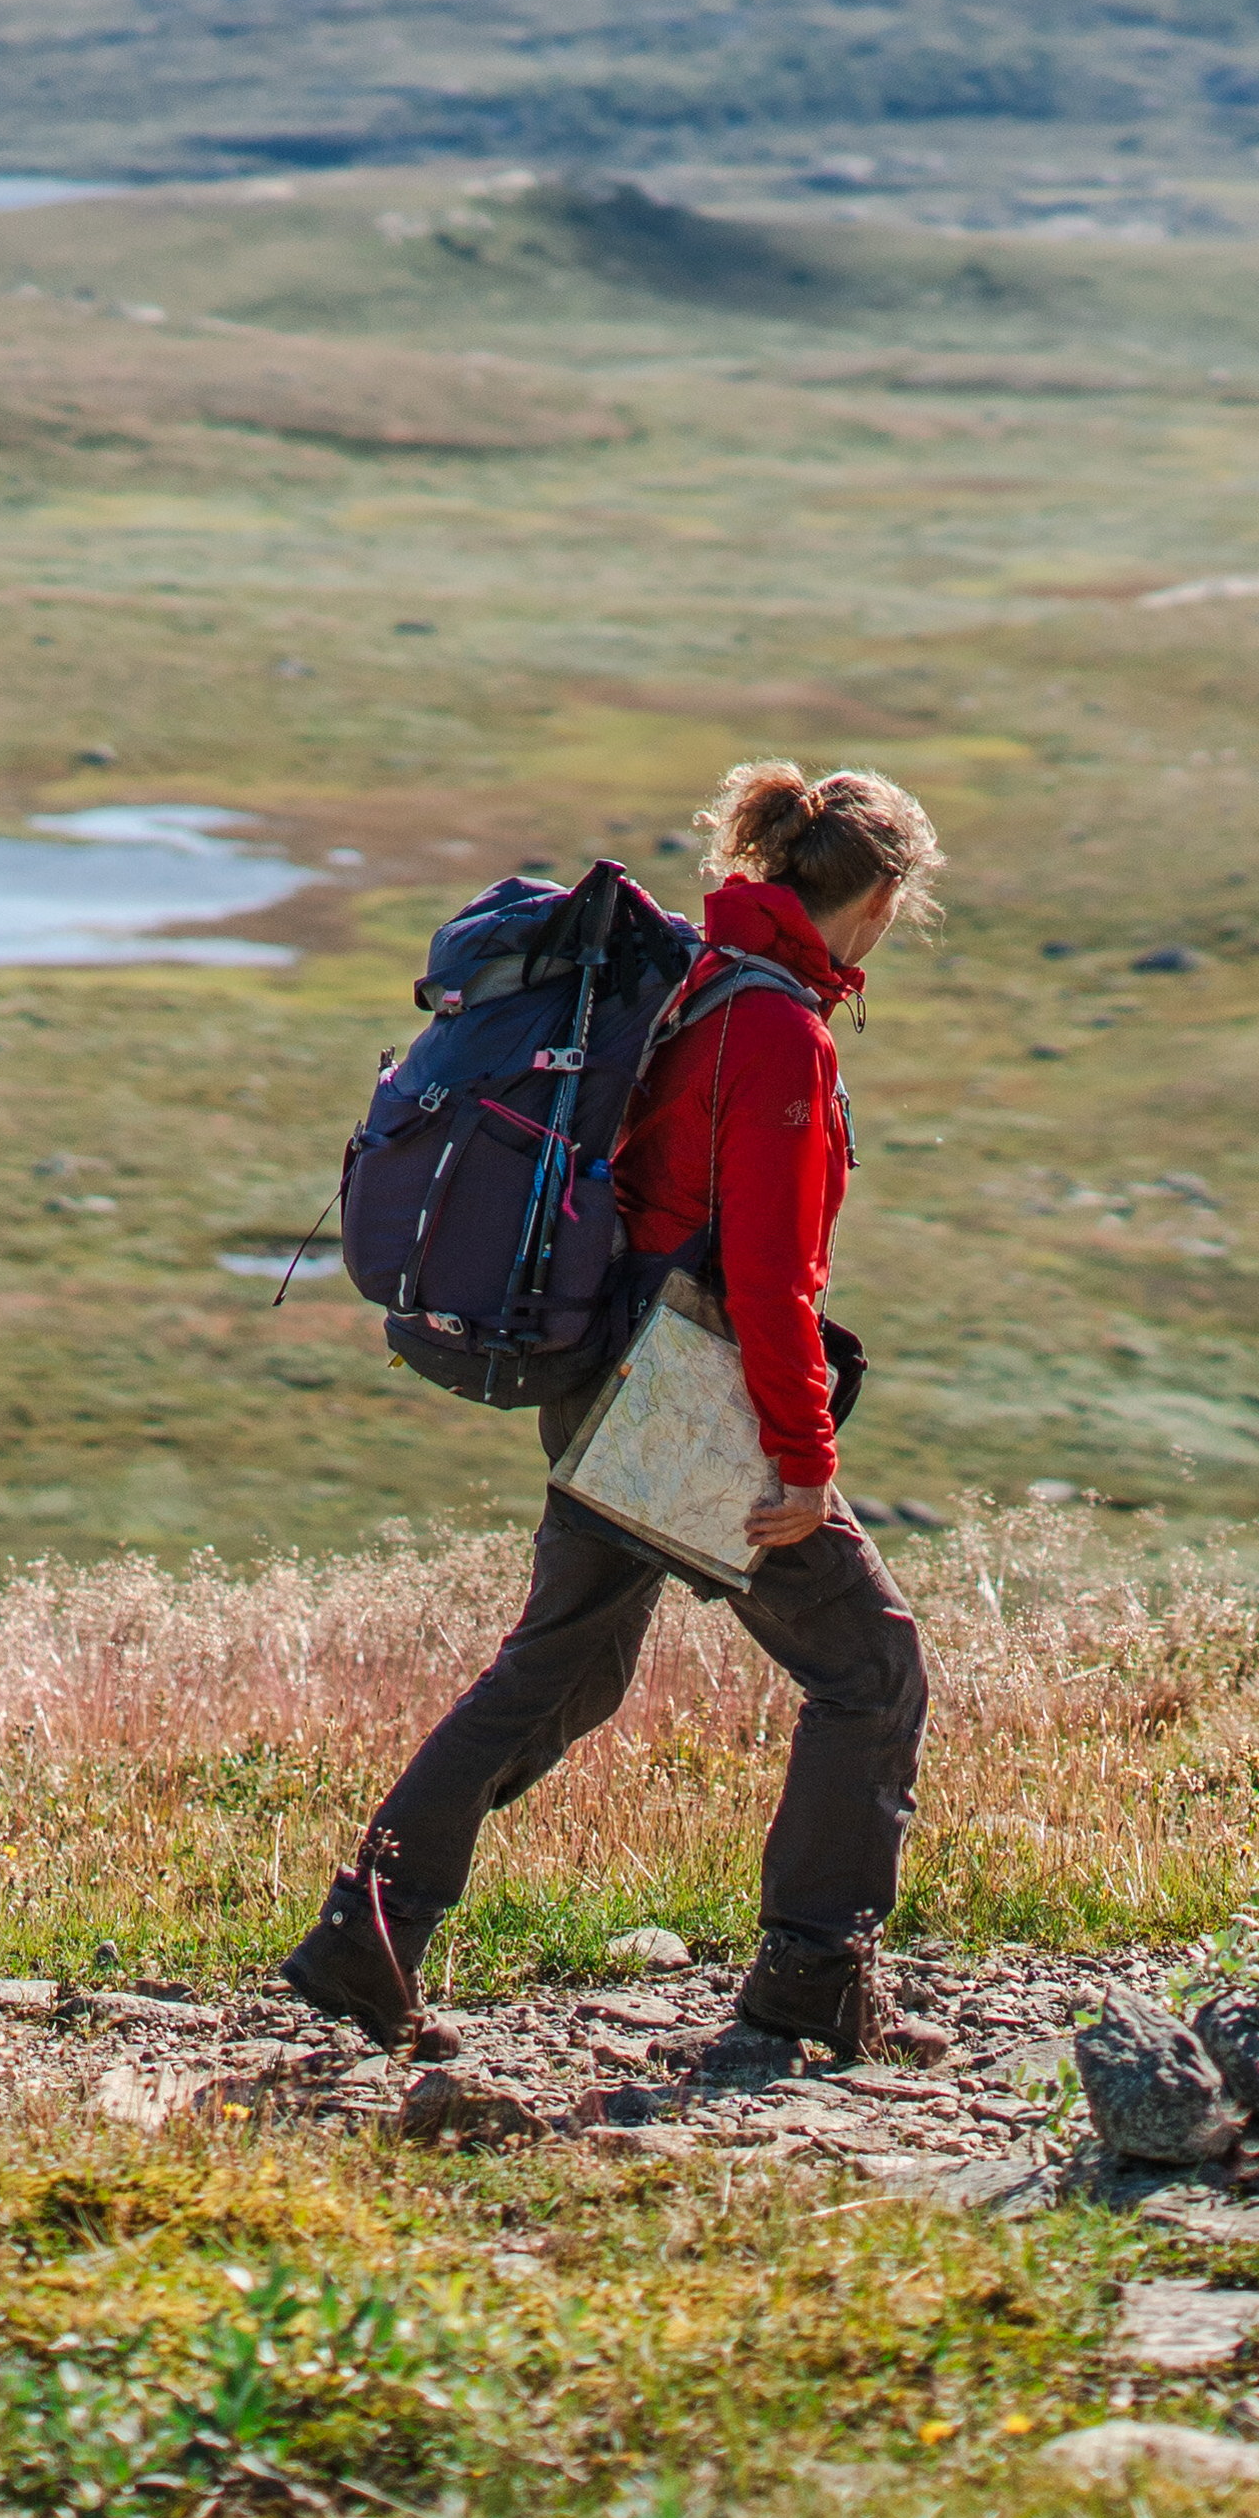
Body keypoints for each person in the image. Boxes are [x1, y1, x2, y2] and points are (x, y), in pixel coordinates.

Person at [286, 763, 951, 2071]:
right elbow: (769, 1276)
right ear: (877, 899)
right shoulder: (782, 1033)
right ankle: (814, 1975)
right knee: (869, 1668)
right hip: (679, 1394)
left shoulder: (701, 975)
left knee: (564, 1669)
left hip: (601, 1361)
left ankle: (366, 1934)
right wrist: (806, 1463)